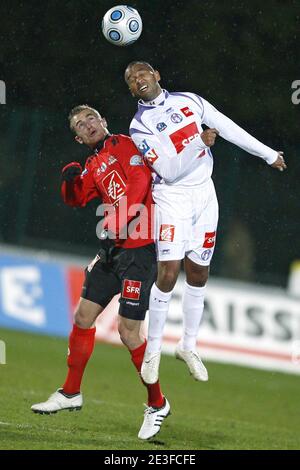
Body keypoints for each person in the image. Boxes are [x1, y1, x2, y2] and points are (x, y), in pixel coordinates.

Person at [124, 61, 287, 385]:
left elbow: (227, 127)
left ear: (156, 74)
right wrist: (198, 142)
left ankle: (188, 345)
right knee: (168, 272)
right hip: (172, 198)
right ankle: (153, 350)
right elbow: (169, 169)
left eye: (142, 73)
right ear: (130, 90)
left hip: (205, 197)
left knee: (198, 273)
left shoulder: (190, 101)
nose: (137, 80)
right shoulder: (139, 126)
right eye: (130, 80)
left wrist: (267, 154)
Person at [31, 105, 170, 440]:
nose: (88, 124)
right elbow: (77, 200)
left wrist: (122, 220)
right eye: (80, 124)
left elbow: (139, 180)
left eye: (91, 118)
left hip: (138, 248)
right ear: (78, 138)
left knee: (128, 332)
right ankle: (70, 392)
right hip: (112, 249)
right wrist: (69, 182)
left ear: (104, 121)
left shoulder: (123, 144)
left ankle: (157, 403)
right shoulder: (93, 163)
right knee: (82, 317)